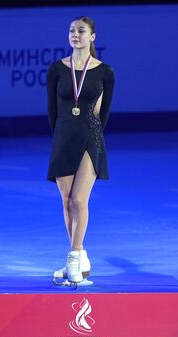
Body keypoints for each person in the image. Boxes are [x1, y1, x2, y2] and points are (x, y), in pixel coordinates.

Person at [47, 16, 115, 285]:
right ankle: (80, 256)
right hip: (63, 138)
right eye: (72, 31)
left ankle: (73, 257)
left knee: (78, 201)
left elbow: (105, 114)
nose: (76, 35)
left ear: (92, 37)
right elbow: (52, 111)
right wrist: (60, 136)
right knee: (66, 202)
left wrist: (92, 136)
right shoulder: (56, 69)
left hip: (91, 138)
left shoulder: (105, 72)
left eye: (81, 31)